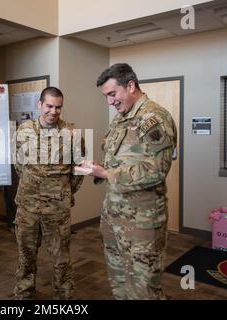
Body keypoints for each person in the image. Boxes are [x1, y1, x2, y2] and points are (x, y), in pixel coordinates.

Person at [82, 63, 177, 299]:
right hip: (115, 217)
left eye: (112, 94)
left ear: (131, 85)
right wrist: (100, 169)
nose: (110, 102)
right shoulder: (121, 119)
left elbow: (157, 169)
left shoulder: (154, 118)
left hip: (141, 224)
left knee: (144, 289)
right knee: (120, 282)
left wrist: (107, 175)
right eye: (106, 96)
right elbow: (121, 162)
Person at [13, 86, 84, 299]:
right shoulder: (23, 131)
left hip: (57, 209)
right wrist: (33, 186)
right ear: (40, 105)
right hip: (28, 208)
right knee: (26, 255)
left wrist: (61, 191)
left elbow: (78, 171)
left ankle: (63, 296)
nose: (53, 111)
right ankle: (24, 292)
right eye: (49, 106)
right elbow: (19, 164)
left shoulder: (72, 133)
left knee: (61, 258)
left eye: (58, 107)